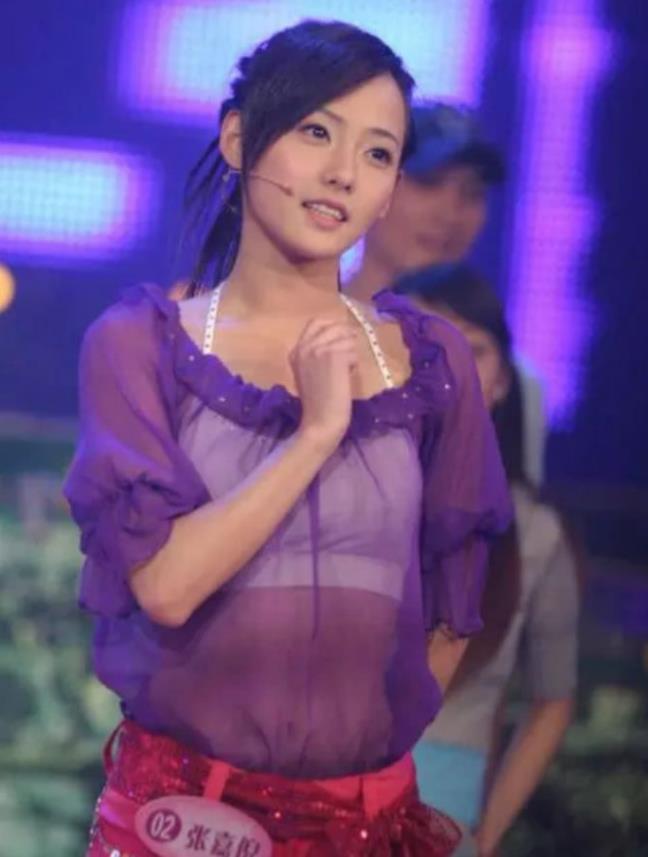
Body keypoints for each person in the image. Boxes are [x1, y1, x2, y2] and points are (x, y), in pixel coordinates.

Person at [63, 20, 512, 857]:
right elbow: (165, 586)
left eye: (378, 153)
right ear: (239, 138)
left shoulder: (431, 359)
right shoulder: (143, 344)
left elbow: (454, 602)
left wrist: (358, 754)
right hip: (187, 820)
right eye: (315, 132)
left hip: (363, 819)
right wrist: (315, 435)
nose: (344, 172)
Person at [395, 261, 580, 856]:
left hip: (441, 817)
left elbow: (553, 699)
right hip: (310, 802)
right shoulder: (341, 490)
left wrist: (488, 832)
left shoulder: (535, 535)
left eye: (472, 349)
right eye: (423, 342)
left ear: (503, 379)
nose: (447, 366)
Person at [345, 102, 547, 487]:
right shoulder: (291, 333)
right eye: (428, 182)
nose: (449, 213)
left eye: (471, 194)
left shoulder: (510, 381)